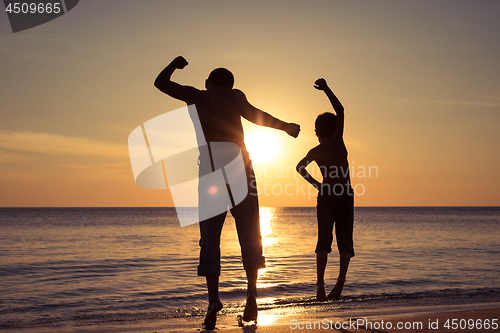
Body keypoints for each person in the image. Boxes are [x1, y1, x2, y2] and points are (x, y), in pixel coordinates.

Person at [154, 56, 300, 329]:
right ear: (231, 85)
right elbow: (254, 114)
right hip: (240, 170)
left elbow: (160, 83)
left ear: (208, 83)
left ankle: (213, 300)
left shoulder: (195, 96)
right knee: (249, 231)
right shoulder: (234, 96)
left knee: (210, 237)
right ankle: (252, 295)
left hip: (209, 172)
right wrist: (286, 127)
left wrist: (174, 63)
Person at [296, 78, 354, 302]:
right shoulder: (338, 142)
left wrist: (317, 184)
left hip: (327, 194)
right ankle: (340, 282)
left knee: (323, 240)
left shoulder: (316, 150)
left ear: (317, 131)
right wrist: (326, 89)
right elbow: (340, 110)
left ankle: (320, 284)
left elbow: (299, 168)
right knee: (345, 240)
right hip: (345, 194)